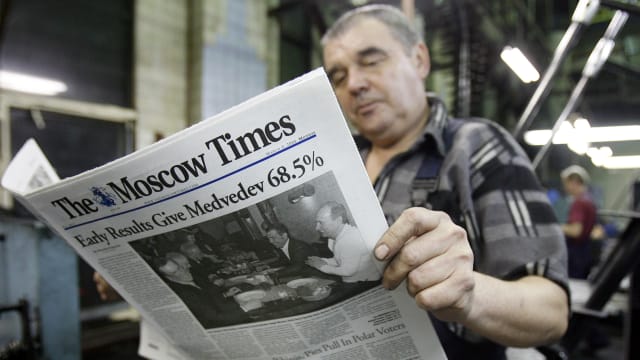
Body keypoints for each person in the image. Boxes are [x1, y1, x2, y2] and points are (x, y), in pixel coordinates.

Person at [321, 4, 568, 359]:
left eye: (371, 60)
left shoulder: (476, 148)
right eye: (339, 76)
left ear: (419, 60)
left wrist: (469, 295)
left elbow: (552, 311)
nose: (355, 84)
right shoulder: (338, 163)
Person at [305, 201, 381, 283]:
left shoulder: (349, 239)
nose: (317, 228)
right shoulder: (333, 238)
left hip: (365, 283)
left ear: (338, 221)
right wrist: (323, 261)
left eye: (321, 222)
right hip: (353, 281)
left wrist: (322, 267)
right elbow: (340, 260)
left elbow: (348, 271)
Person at [560, 165, 597, 279]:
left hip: (576, 255)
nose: (565, 187)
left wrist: (556, 227)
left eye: (566, 183)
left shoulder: (579, 203)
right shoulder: (589, 201)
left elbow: (576, 231)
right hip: (586, 252)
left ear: (574, 182)